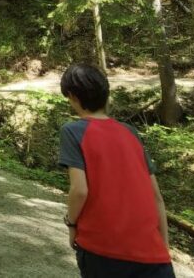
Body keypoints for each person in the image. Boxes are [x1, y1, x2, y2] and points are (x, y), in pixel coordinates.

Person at [58, 63, 174, 278]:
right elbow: (157, 197)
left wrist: (71, 223)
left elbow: (80, 190)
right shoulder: (130, 132)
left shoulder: (73, 131)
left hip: (103, 252)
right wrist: (164, 249)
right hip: (154, 258)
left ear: (73, 96)